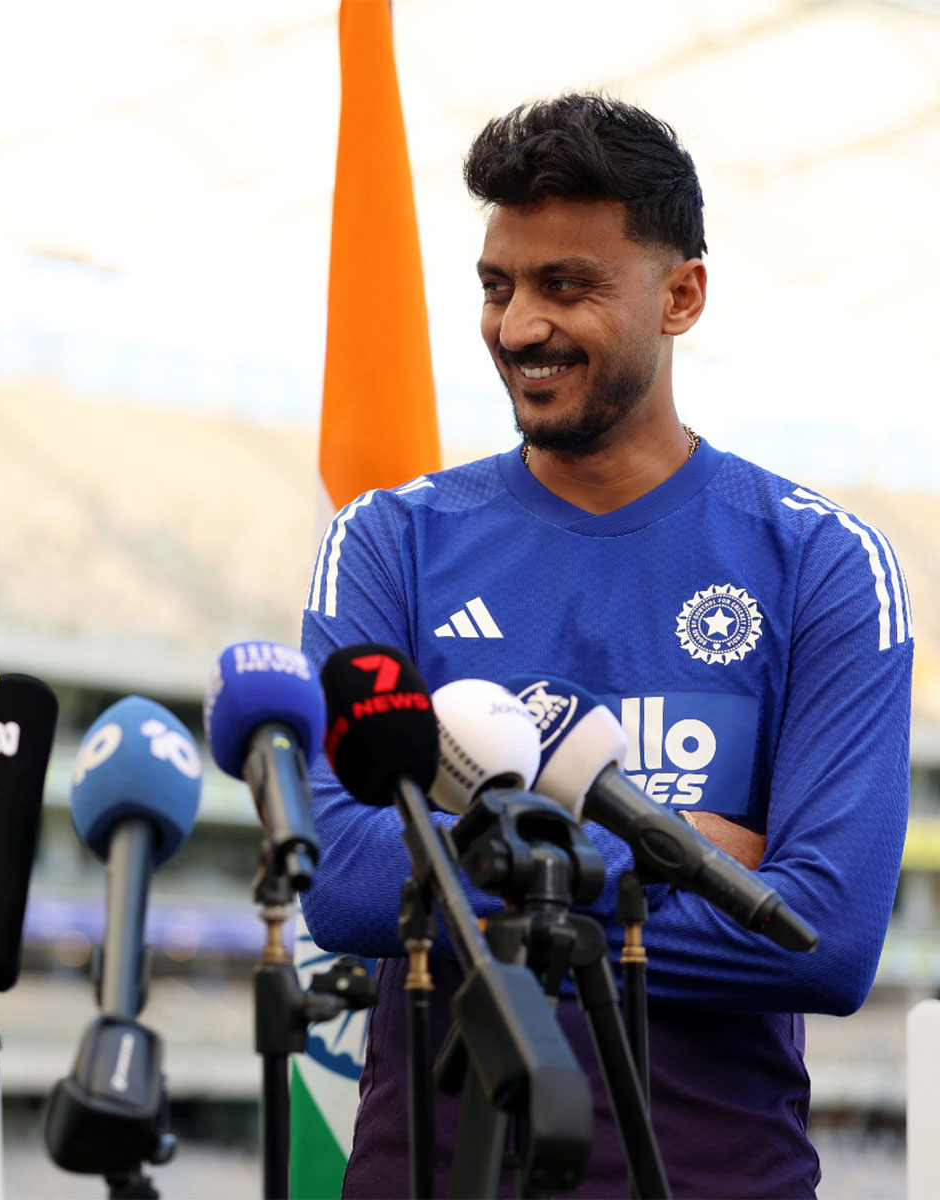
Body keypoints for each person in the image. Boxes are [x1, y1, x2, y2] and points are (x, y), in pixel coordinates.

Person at [301, 93, 913, 1197]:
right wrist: (690, 849)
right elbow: (343, 883)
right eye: (498, 287)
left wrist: (468, 849)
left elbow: (821, 938)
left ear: (680, 296)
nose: (518, 326)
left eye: (566, 286)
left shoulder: (821, 564)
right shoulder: (387, 542)